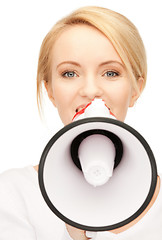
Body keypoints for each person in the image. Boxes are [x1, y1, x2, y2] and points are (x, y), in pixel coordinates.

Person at [0, 5, 161, 240]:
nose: (91, 90)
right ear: (51, 91)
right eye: (69, 73)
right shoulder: (13, 195)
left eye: (111, 73)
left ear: (136, 90)